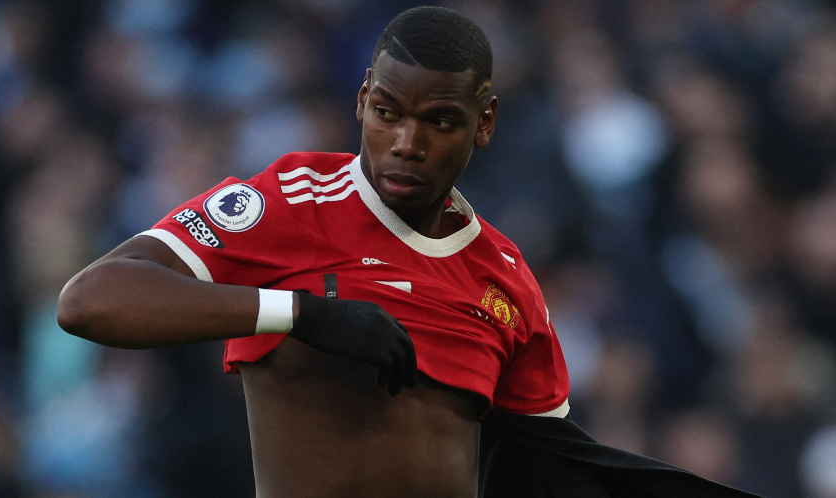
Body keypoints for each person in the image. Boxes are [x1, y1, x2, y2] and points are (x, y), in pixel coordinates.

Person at [58, 6, 757, 498]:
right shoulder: (291, 200)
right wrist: (301, 314)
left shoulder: (507, 277)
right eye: (387, 112)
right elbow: (91, 300)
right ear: (362, 99)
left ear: (484, 123)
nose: (406, 144)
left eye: (440, 121)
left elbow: (551, 470)